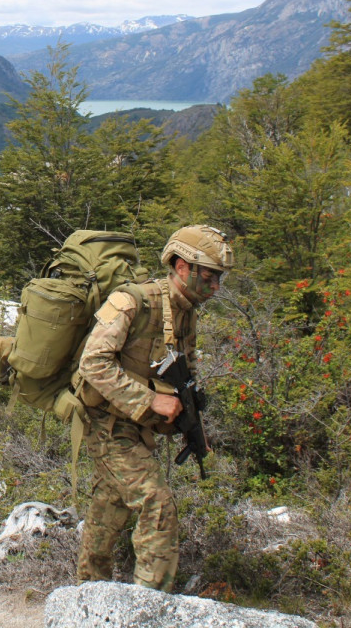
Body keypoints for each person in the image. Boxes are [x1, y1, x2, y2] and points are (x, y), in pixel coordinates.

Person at [73, 225, 234, 591]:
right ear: (181, 267)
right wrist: (150, 400)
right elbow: (93, 364)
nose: (215, 288)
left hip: (137, 427)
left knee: (108, 510)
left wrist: (195, 430)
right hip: (108, 424)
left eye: (217, 279)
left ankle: (87, 594)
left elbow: (182, 377)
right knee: (156, 505)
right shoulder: (133, 301)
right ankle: (150, 605)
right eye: (208, 278)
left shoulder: (186, 311)